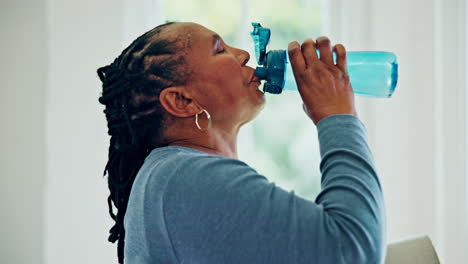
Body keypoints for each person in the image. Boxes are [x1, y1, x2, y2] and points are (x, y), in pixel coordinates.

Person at [97, 22, 386, 264]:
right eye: (220, 49)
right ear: (182, 101)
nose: (245, 54)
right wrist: (337, 116)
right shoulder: (185, 177)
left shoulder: (171, 177)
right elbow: (353, 251)